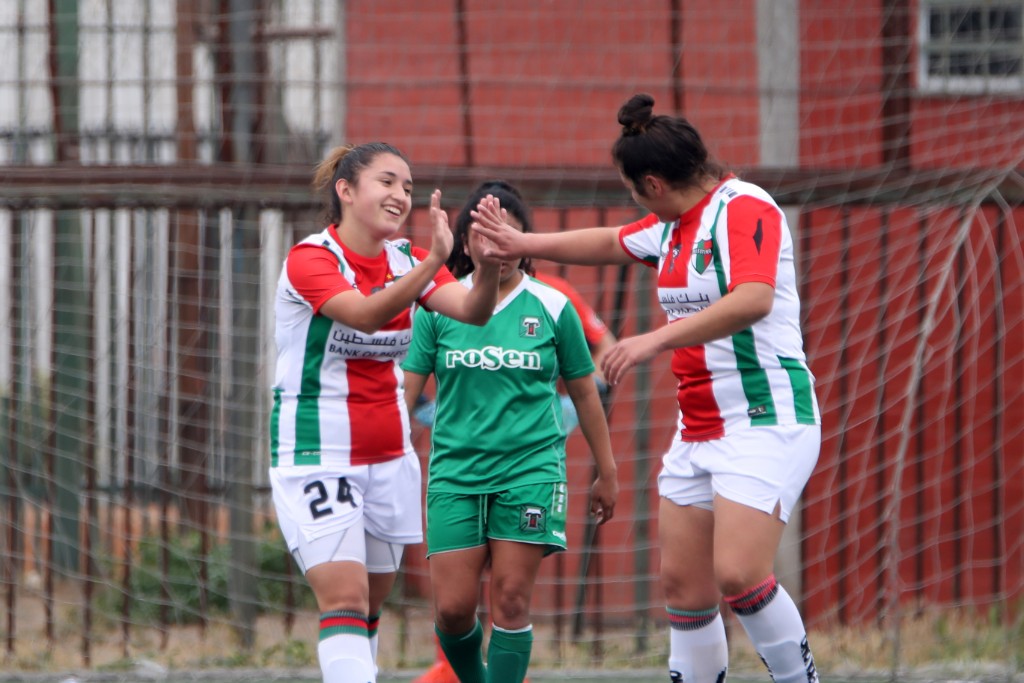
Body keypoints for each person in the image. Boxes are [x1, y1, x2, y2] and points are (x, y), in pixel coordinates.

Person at [472, 95, 822, 683]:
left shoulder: (745, 206)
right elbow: (611, 242)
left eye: (633, 190)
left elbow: (753, 298)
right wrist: (521, 245)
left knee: (739, 574)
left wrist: (652, 340)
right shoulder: (670, 225)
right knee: (684, 587)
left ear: (653, 183)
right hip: (699, 429)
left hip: (767, 417)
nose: (634, 201)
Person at [268, 142, 501, 683]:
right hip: (315, 453)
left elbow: (472, 311)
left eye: (409, 187)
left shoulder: (407, 261)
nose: (401, 195)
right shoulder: (312, 259)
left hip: (389, 456)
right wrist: (439, 261)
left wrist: (486, 267)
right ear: (346, 192)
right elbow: (369, 316)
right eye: (387, 182)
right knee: (344, 598)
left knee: (369, 607)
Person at [402, 180, 619, 683]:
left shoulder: (554, 305)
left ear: (524, 243)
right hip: (455, 474)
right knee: (453, 611)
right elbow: (405, 395)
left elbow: (586, 392)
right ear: (464, 243)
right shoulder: (438, 308)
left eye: (508, 235)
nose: (497, 246)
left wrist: (607, 471)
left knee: (512, 601)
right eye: (485, 235)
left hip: (531, 472)